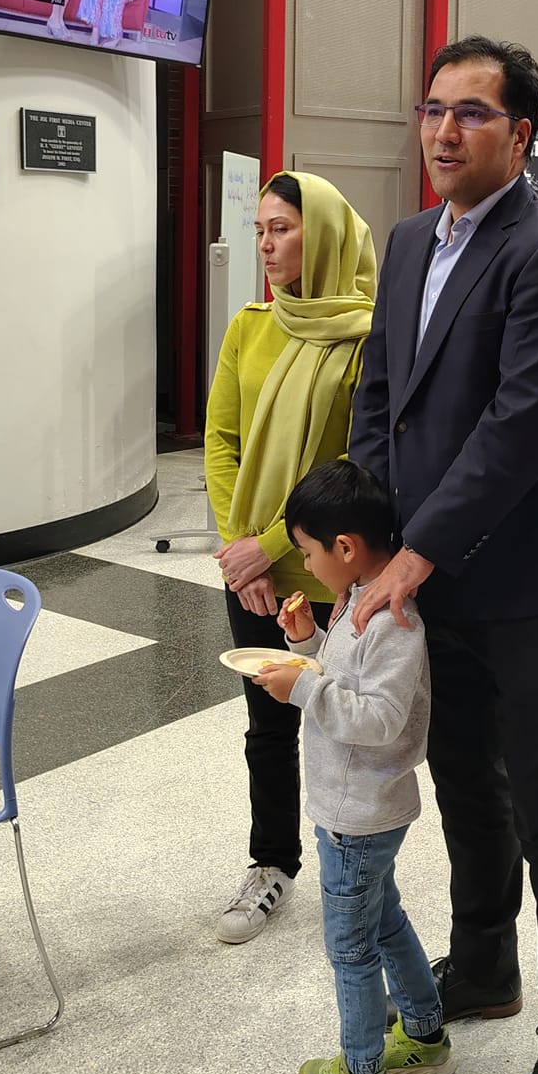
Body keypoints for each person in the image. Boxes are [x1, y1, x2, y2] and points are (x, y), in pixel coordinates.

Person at [348, 37, 538, 1074]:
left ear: (520, 134)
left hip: (529, 578)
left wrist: (412, 554)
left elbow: (520, 427)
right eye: (432, 109)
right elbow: (381, 394)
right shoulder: (410, 240)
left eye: (470, 112)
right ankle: (486, 965)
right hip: (433, 569)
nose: (444, 130)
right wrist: (374, 536)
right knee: (462, 777)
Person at [205, 171, 377, 944]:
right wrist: (240, 553)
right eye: (261, 231)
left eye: (283, 229)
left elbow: (354, 463)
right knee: (267, 725)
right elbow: (221, 442)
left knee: (343, 725)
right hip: (251, 570)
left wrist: (269, 547)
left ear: (326, 235)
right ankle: (272, 863)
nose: (267, 246)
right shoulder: (250, 326)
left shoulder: (366, 335)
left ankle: (358, 865)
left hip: (331, 570)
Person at [254, 460, 454, 1074]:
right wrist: (307, 642)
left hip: (357, 816)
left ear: (344, 547)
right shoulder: (354, 600)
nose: (306, 565)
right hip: (355, 806)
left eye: (307, 552)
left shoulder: (394, 621)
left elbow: (380, 718)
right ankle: (425, 1035)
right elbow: (344, 679)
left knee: (350, 948)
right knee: (385, 922)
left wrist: (301, 691)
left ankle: (363, 1068)